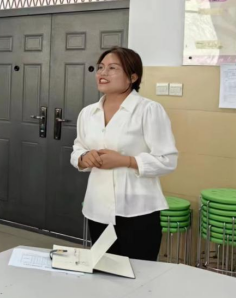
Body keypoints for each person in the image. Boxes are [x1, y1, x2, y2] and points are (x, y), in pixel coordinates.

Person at [72, 47, 178, 261]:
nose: (103, 73)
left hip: (138, 210)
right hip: (98, 209)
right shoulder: (88, 113)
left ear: (133, 77)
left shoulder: (148, 110)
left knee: (139, 273)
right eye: (100, 67)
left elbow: (168, 160)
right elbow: (78, 148)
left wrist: (127, 161)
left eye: (112, 68)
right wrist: (83, 158)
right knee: (104, 271)